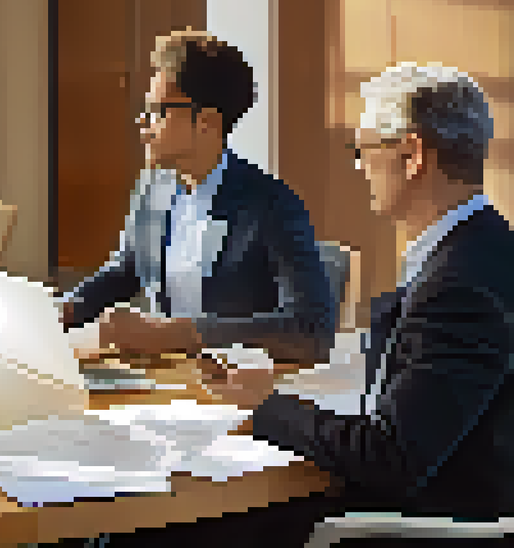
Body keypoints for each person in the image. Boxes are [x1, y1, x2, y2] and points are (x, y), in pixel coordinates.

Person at [191, 63, 514, 547]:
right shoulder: (480, 247)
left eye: (362, 148)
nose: (359, 166)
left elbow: (391, 457)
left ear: (411, 155)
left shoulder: (459, 283)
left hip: (418, 528)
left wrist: (266, 405)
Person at [60, 30, 335, 364]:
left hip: (235, 390)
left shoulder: (271, 205)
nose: (143, 124)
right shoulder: (155, 189)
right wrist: (65, 311)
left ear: (206, 122)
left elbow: (311, 332)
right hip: (166, 381)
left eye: (158, 111)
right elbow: (127, 270)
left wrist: (178, 335)